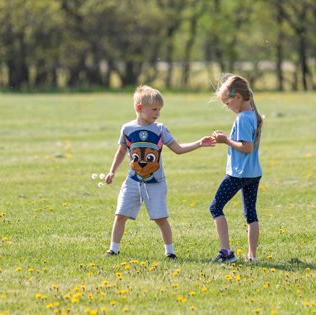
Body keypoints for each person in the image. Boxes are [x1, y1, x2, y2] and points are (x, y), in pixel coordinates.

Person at [104, 85, 215, 259]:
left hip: (156, 183)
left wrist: (199, 143)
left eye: (160, 110)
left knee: (160, 218)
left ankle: (170, 252)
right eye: (154, 109)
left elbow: (177, 149)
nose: (158, 113)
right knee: (120, 214)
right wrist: (112, 171)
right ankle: (113, 249)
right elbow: (121, 152)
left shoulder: (160, 129)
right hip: (132, 181)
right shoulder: (127, 129)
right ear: (139, 108)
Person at [210, 74, 263, 263]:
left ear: (238, 97)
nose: (227, 106)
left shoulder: (242, 119)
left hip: (238, 174)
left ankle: (226, 252)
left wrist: (225, 140)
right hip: (253, 173)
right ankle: (252, 256)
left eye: (227, 101)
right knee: (250, 213)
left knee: (215, 207)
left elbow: (246, 148)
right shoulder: (253, 115)